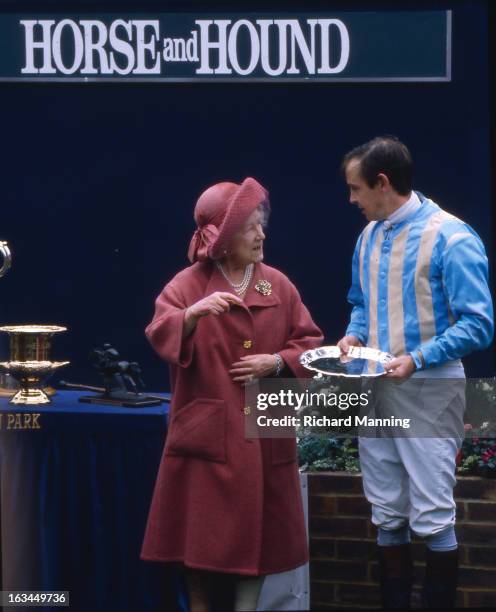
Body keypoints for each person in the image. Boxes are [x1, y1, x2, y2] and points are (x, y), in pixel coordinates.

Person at [141, 177, 323, 612]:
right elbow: (158, 333)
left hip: (264, 436)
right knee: (197, 546)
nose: (261, 236)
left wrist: (277, 362)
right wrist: (191, 315)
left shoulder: (278, 285)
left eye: (262, 225)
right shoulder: (187, 285)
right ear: (221, 238)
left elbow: (312, 345)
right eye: (251, 228)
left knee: (260, 542)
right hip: (206, 437)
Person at [337, 136, 493, 608]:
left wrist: (419, 358)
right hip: (376, 387)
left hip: (429, 386)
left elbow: (479, 323)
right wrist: (353, 335)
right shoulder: (367, 236)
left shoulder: (452, 236)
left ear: (382, 183)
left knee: (431, 513)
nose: (352, 199)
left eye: (356, 188)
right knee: (387, 511)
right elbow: (360, 303)